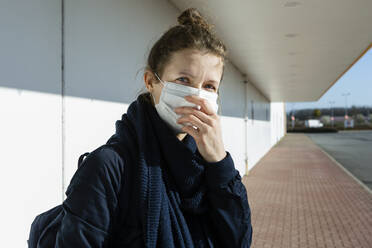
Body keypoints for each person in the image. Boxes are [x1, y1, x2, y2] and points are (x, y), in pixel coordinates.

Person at [42, 7, 252, 248]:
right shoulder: (109, 167)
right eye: (184, 80)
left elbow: (239, 242)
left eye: (209, 86)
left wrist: (219, 162)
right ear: (151, 81)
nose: (196, 94)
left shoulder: (209, 167)